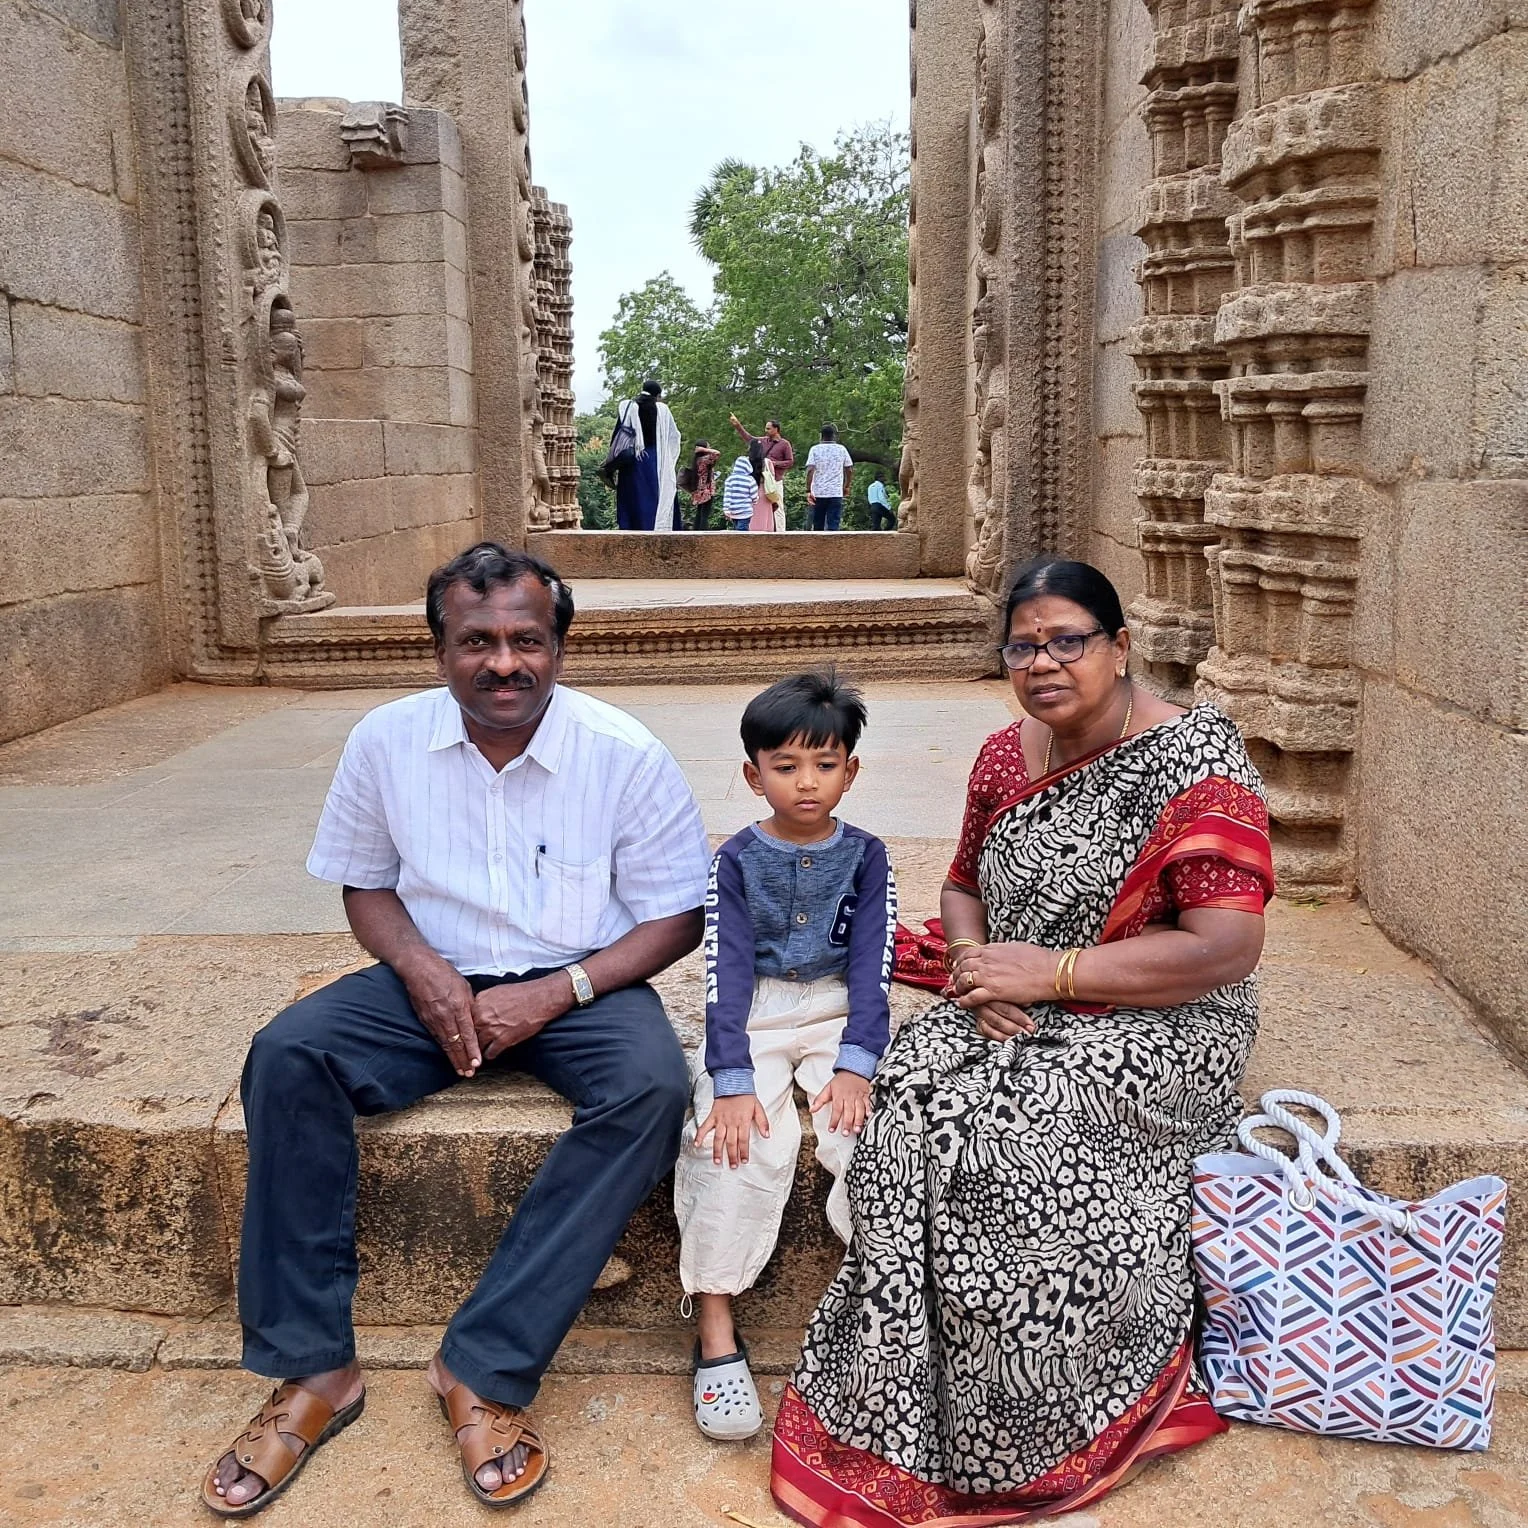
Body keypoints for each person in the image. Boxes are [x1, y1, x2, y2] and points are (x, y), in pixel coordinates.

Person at [202, 542, 711, 1516]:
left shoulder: (623, 752)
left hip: (578, 983)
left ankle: (481, 1363)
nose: (503, 662)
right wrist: (424, 970)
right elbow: (367, 884)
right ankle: (315, 1370)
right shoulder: (384, 741)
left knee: (651, 1084)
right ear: (439, 648)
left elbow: (672, 919)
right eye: (476, 640)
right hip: (421, 985)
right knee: (286, 1053)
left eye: (526, 639)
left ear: (559, 646)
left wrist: (557, 989)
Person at [772, 556, 1275, 1526]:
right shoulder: (1008, 754)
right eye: (1023, 644)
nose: (1042, 661)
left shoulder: (1197, 762)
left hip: (1162, 1019)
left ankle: (1041, 1420)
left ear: (1120, 646)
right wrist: (970, 965)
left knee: (1005, 1138)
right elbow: (962, 883)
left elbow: (1225, 945)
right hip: (1012, 991)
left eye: (1067, 640)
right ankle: (924, 1405)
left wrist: (1050, 974)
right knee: (912, 1094)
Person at [675, 671, 896, 1443]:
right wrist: (731, 1081)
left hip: (838, 1006)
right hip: (757, 1011)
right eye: (786, 766)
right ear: (753, 774)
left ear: (851, 770)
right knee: (730, 1142)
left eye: (826, 765)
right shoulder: (734, 860)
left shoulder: (868, 858)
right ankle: (714, 1333)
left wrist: (857, 1064)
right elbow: (724, 972)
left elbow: (873, 966)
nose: (807, 783)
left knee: (864, 1134)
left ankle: (886, 1318)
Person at [614, 379, 682, 531]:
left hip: (632, 461)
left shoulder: (628, 406)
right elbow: (674, 436)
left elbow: (618, 436)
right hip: (654, 459)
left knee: (634, 497)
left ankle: (631, 529)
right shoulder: (662, 410)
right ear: (657, 395)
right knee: (656, 495)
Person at [804, 424, 854, 531]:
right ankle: (833, 546)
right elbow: (849, 469)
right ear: (834, 436)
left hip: (818, 492)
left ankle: (819, 547)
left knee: (818, 524)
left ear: (821, 436)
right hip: (836, 492)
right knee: (833, 525)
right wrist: (847, 486)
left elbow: (810, 470)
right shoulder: (841, 449)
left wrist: (808, 489)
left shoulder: (815, 449)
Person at [728, 413, 794, 491]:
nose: (766, 431)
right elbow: (749, 439)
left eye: (768, 429)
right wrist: (738, 426)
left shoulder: (784, 444)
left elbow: (790, 462)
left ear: (776, 429)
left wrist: (773, 463)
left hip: (775, 481)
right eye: (766, 428)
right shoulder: (762, 441)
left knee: (777, 502)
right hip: (761, 480)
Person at [721, 441, 764, 530]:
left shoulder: (730, 479)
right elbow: (753, 494)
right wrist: (755, 500)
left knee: (736, 528)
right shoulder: (750, 479)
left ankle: (737, 542)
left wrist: (726, 509)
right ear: (748, 467)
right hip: (745, 511)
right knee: (742, 531)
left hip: (733, 511)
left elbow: (727, 495)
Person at [687, 441, 722, 530]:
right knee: (704, 515)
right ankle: (703, 533)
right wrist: (704, 449)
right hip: (706, 491)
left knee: (699, 513)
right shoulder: (704, 460)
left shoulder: (697, 460)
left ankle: (696, 532)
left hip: (698, 490)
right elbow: (717, 453)